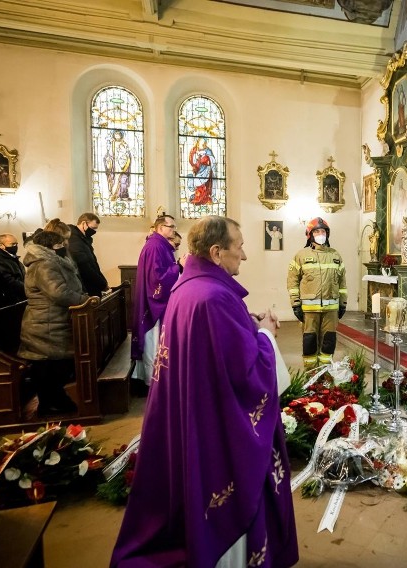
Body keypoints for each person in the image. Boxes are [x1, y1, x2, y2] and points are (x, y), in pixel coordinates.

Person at [111, 216, 298, 568]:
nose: (244, 256)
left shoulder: (190, 287)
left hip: (198, 413)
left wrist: (249, 326)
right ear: (216, 252)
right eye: (238, 247)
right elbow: (245, 376)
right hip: (219, 434)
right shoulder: (213, 298)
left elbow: (217, 353)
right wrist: (268, 334)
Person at [18, 227, 88, 416]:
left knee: (54, 366)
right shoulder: (44, 264)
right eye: (59, 245)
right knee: (48, 367)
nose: (63, 247)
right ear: (49, 247)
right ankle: (51, 404)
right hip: (46, 324)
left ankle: (54, 401)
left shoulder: (51, 261)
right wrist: (85, 300)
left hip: (53, 322)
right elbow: (59, 293)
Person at [131, 215, 184, 386]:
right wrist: (179, 266)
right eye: (171, 226)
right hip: (153, 303)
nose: (174, 230)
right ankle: (153, 381)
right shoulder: (155, 246)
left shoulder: (160, 245)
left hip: (155, 300)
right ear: (160, 227)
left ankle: (157, 378)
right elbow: (157, 278)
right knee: (154, 340)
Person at [288, 217, 347, 368]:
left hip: (331, 310)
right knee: (310, 342)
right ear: (310, 234)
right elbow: (292, 281)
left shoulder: (335, 255)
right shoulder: (300, 256)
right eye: (317, 231)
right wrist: (295, 304)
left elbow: (342, 283)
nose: (321, 234)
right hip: (309, 311)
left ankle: (325, 373)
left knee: (329, 342)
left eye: (323, 231)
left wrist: (343, 303)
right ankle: (311, 375)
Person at [68, 212, 110, 296]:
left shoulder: (84, 239)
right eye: (92, 228)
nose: (93, 231)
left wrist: (103, 282)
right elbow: (85, 267)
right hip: (86, 287)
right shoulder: (74, 240)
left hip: (92, 285)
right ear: (84, 223)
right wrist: (102, 284)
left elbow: (93, 264)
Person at [0, 233, 27, 303]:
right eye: (12, 244)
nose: (15, 246)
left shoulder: (12, 257)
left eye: (16, 244)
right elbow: (9, 281)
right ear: (1, 246)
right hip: (12, 299)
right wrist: (28, 288)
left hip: (22, 296)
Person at [105, 129, 132, 200]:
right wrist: (108, 159)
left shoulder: (124, 143)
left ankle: (123, 195)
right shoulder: (112, 144)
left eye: (118, 134)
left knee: (123, 179)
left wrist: (125, 158)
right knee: (114, 179)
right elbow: (109, 154)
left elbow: (128, 154)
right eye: (115, 134)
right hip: (114, 165)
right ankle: (114, 194)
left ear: (121, 135)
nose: (117, 136)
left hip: (122, 165)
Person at [189, 137, 216, 205]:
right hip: (198, 170)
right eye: (201, 142)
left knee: (205, 184)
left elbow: (212, 160)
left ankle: (205, 198)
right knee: (197, 181)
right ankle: (198, 197)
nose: (202, 144)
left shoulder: (208, 150)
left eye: (204, 142)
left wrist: (206, 157)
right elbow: (192, 160)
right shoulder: (194, 150)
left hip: (206, 170)